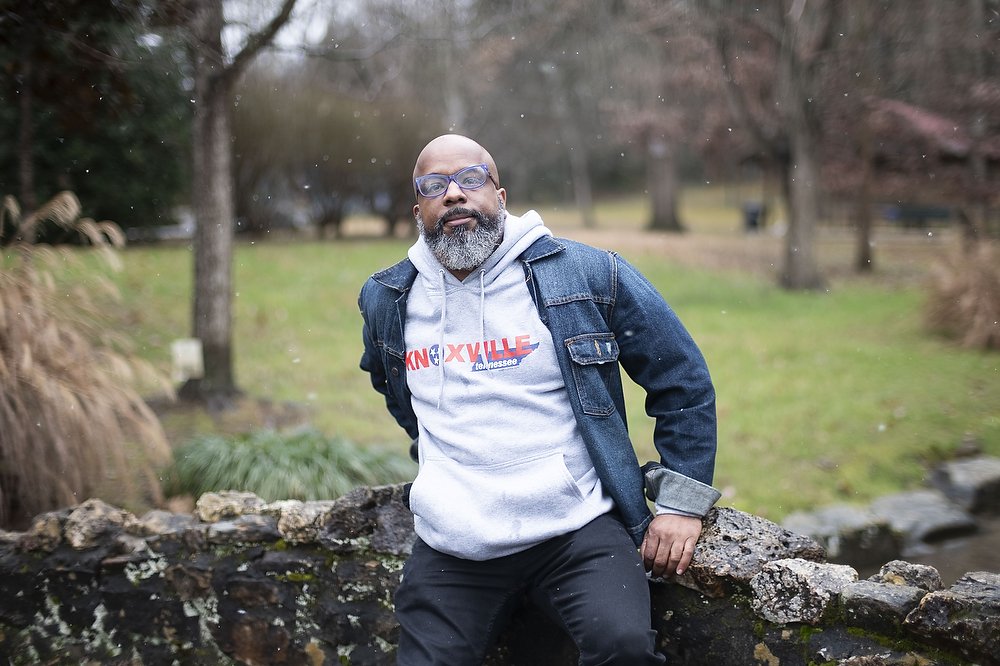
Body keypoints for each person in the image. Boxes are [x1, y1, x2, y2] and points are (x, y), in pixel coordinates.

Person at [358, 134, 720, 665]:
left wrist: (681, 504)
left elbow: (681, 377)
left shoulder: (588, 274)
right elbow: (395, 391)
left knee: (623, 650)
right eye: (435, 186)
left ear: (500, 196)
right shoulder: (389, 298)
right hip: (453, 547)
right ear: (419, 211)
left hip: (575, 531)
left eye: (472, 178)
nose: (454, 194)